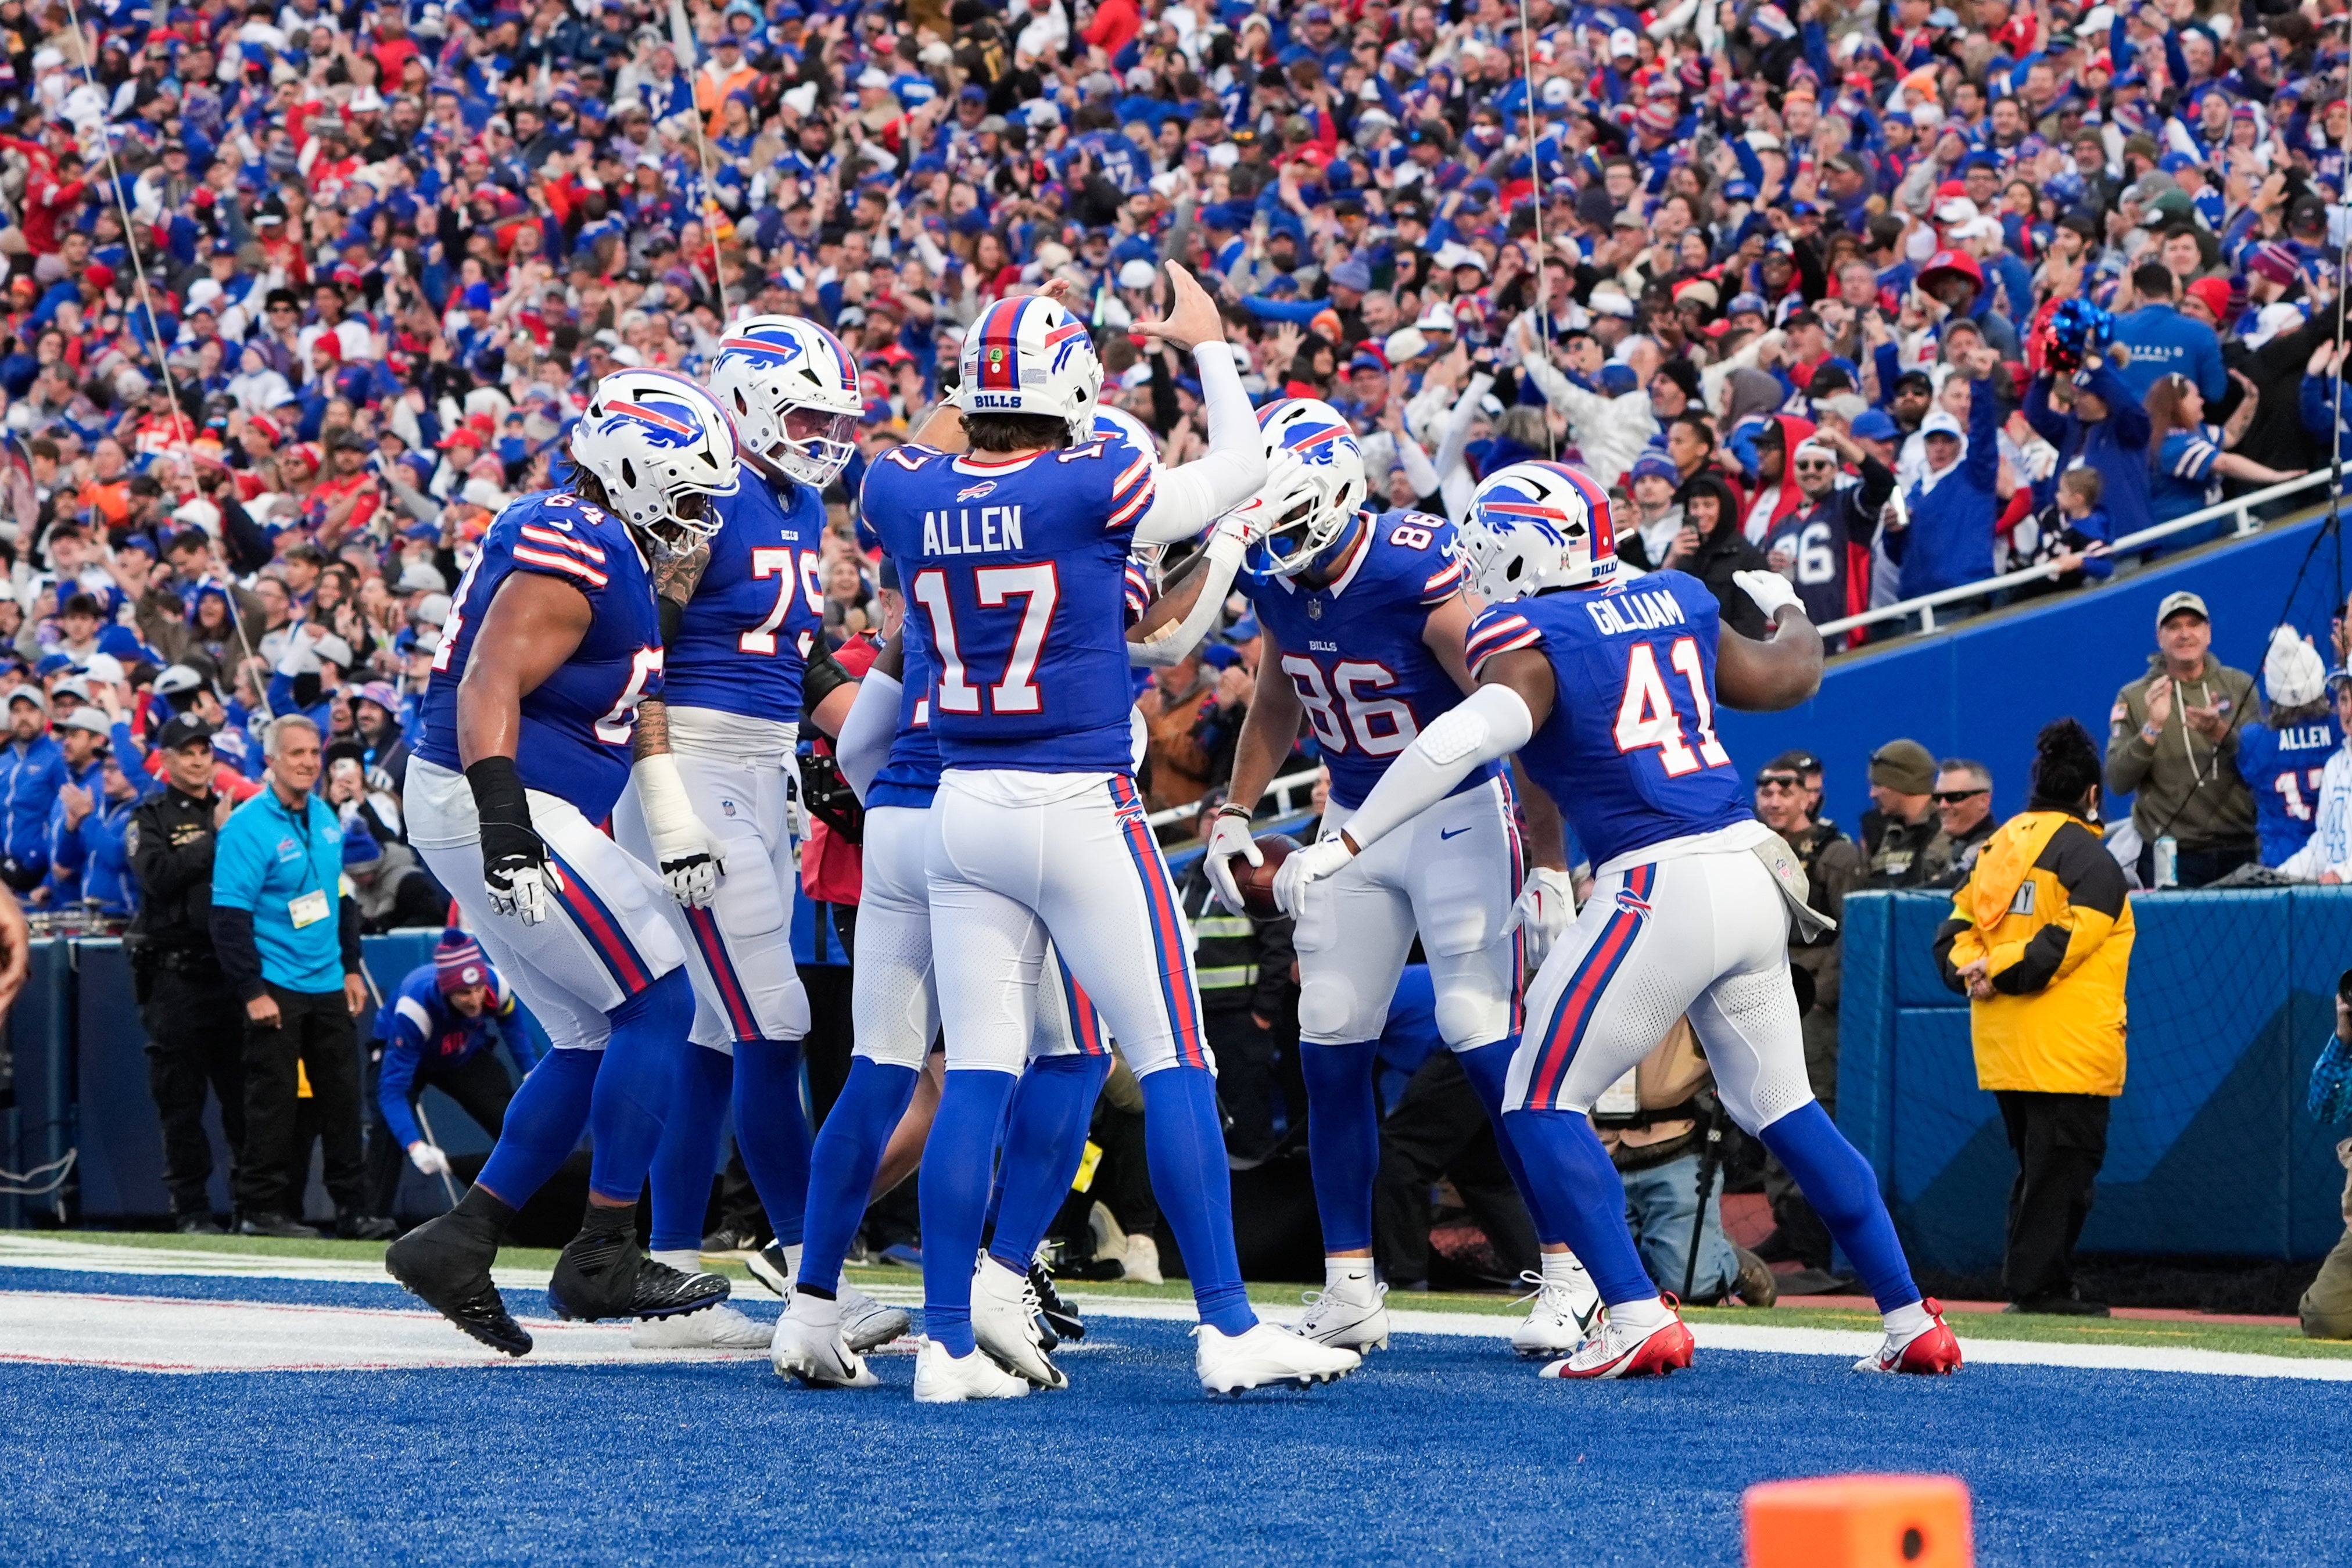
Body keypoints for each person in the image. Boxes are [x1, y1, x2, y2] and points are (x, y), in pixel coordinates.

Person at [1277, 458, 1962, 1379]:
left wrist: (1348, 841)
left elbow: (1459, 738)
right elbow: (1790, 673)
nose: (1471, 564)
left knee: (1535, 1097)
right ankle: (1911, 1317)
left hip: (1657, 882)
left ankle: (1633, 1312)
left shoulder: (1528, 634)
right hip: (1749, 868)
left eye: (1483, 547)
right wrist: (1789, 604)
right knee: (1783, 1106)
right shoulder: (1674, 597)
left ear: (1521, 553)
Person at [853, 273, 1358, 1400]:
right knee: (1175, 1055)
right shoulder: (1093, 479)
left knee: (977, 1072)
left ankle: (944, 1344)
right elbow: (1240, 468)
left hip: (960, 805)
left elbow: (927, 451)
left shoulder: (902, 488)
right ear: (1072, 392)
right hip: (1077, 799)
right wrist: (1210, 343)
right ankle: (1227, 1324)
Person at [1206, 428, 1591, 1358]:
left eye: (1291, 515)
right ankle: (1349, 1285)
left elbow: (1514, 710)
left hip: (1458, 818)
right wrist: (1235, 807)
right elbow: (1279, 694)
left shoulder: (1417, 568)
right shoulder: (1277, 578)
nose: (1275, 538)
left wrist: (1547, 856)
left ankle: (1571, 1269)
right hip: (1350, 815)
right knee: (1330, 1038)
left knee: (1482, 1033)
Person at [385, 368, 746, 1356]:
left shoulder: (609, 544)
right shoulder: (575, 538)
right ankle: (604, 1251)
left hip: (493, 797)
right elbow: (489, 679)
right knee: (661, 1001)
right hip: (503, 797)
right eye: (687, 492)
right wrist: (507, 821)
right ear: (632, 473)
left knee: (592, 1035)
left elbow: (632, 665)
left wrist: (661, 813)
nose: (700, 517)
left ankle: (463, 1236)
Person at [604, 317, 866, 1353]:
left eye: (833, 417)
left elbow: (798, 661)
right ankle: (813, 1270)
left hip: (762, 772)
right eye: (805, 414)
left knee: (715, 1034)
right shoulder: (703, 495)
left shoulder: (798, 503)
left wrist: (872, 741)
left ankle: (667, 1268)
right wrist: (662, 793)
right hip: (694, 768)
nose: (823, 436)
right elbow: (636, 653)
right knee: (774, 1017)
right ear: (749, 403)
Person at [1933, 719, 2134, 1316]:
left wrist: (1973, 969)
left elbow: (1951, 934)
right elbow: (2066, 943)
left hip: (2003, 1046)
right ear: (2092, 793)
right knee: (2062, 1173)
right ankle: (2038, 1287)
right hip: (2067, 1048)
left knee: (2039, 1170)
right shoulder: (2090, 857)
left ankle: (2036, 1281)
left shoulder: (1996, 846)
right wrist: (1997, 968)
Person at [209, 714, 390, 1242]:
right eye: (297, 753)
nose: (310, 762)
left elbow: (341, 896)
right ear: (270, 761)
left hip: (328, 978)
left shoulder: (326, 816)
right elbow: (228, 918)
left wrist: (351, 966)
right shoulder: (246, 826)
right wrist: (252, 990)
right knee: (274, 1101)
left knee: (342, 1100)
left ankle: (353, 1210)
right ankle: (259, 1207)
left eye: (315, 753)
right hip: (276, 982)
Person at [126, 713, 246, 1233]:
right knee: (181, 1101)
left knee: (244, 1099)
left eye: (204, 751)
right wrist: (215, 835)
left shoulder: (237, 809)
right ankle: (191, 1209)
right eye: (187, 752)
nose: (198, 761)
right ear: (166, 760)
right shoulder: (149, 816)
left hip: (231, 973)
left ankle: (252, 1208)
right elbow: (156, 876)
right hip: (175, 978)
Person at [1751, 749, 1860, 1272]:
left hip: (1811, 996)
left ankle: (1816, 1227)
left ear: (1808, 796)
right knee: (1764, 1099)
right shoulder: (1750, 846)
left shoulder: (1835, 854)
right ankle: (1788, 1219)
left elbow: (1852, 926)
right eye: (1766, 789)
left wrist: (1824, 993)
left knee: (1812, 1100)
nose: (1774, 799)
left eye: (1786, 789)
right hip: (1761, 987)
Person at [366, 930, 541, 1218]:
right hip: (411, 1052)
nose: (475, 1000)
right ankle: (373, 1217)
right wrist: (415, 1146)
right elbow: (392, 1091)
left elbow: (513, 1027)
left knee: (510, 1117)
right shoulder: (415, 1009)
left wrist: (531, 1071)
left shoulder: (497, 986)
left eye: (478, 989)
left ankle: (535, 1208)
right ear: (447, 991)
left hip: (463, 1049)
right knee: (388, 1127)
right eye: (464, 993)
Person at [1174, 790, 1300, 1165]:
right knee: (1204, 1130)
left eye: (1222, 815)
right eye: (1208, 817)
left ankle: (1260, 1200)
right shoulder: (1185, 880)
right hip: (1196, 1026)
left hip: (1242, 1024)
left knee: (1249, 1128)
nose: (1215, 823)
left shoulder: (1252, 877)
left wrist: (1262, 1015)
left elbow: (1279, 948)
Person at [2104, 590, 2258, 887]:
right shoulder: (2135, 697)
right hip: (2172, 854)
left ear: (2209, 633)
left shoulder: (2239, 685)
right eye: (2174, 627)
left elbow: (2262, 768)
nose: (2185, 634)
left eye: (2193, 624)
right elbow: (2118, 781)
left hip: (2240, 845)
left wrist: (2220, 733)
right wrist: (2152, 727)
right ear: (2159, 638)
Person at [2238, 629, 2338, 869]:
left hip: (2282, 866)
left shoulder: (2255, 740)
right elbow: (2340, 698)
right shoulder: (2339, 730)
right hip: (2334, 863)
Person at [2277, 669, 2352, 883]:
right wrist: (2279, 877)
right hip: (2337, 897)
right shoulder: (2335, 765)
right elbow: (2323, 844)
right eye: (2344, 700)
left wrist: (2342, 874)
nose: (2349, 711)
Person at [1860, 739, 1956, 887]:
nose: (1872, 794)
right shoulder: (1881, 831)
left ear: (1902, 784)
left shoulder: (1948, 830)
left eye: (1878, 785)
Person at [1931, 759, 2000, 882]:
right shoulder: (1954, 845)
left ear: (1984, 801)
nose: (1943, 805)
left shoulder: (1996, 847)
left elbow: (1958, 883)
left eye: (1954, 797)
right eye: (1938, 797)